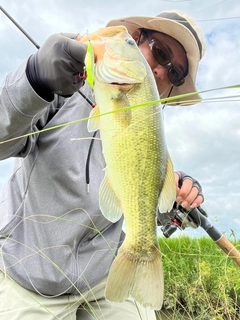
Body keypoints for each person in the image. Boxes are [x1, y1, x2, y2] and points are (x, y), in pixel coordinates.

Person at [0, 9, 205, 320]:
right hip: (30, 273)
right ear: (136, 40)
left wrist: (179, 196)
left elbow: (154, 208)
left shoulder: (151, 131)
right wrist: (34, 80)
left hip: (102, 270)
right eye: (161, 52)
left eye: (175, 73)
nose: (163, 72)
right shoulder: (59, 83)